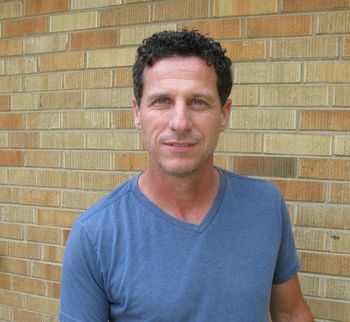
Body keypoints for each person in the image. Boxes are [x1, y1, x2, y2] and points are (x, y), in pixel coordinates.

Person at [59, 30, 313, 322]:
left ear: (224, 113)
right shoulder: (95, 235)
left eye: (199, 102)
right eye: (162, 101)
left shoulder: (265, 206)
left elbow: (290, 312)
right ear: (137, 112)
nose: (180, 123)